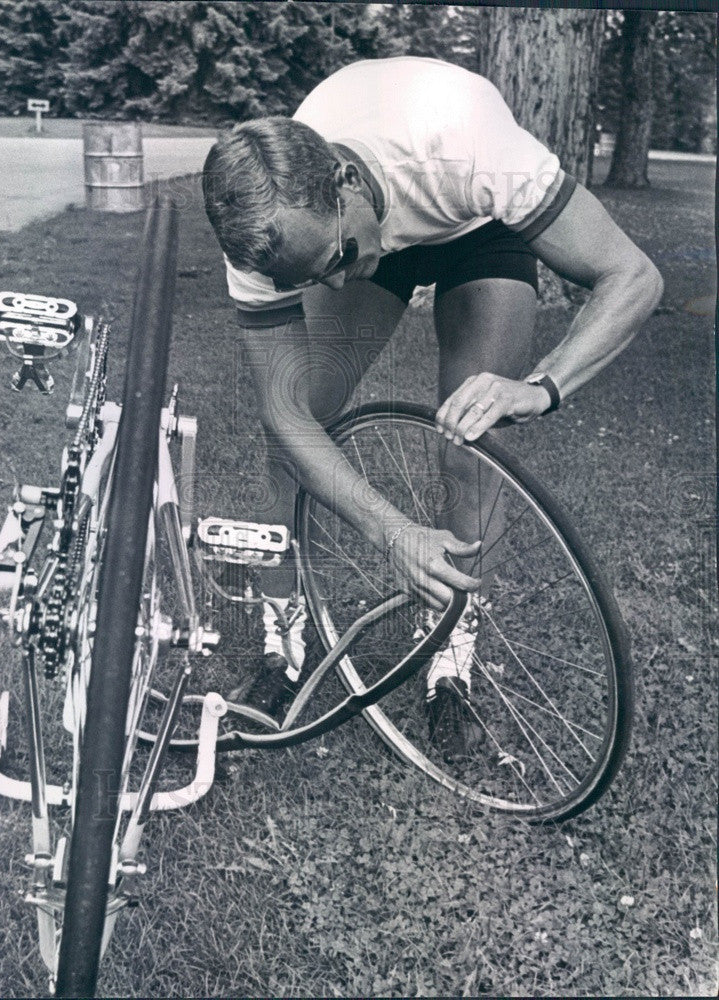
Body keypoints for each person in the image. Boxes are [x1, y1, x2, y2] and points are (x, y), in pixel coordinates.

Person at [201, 56, 662, 756]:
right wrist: (392, 530)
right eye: (309, 278)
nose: (333, 279)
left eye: (336, 257)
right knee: (296, 425)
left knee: (468, 439)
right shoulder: (266, 235)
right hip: (371, 223)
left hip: (471, 222)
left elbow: (631, 275)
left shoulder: (469, 141)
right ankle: (283, 636)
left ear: (345, 182)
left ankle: (452, 643)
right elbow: (288, 416)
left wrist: (540, 386)